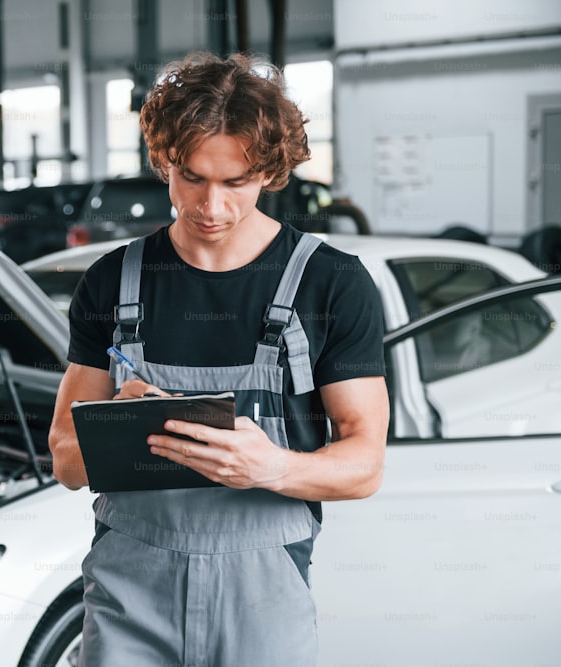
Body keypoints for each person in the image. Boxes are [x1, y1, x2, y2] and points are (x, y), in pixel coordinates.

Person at [48, 51, 389, 666]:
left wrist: (271, 468)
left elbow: (364, 465)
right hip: (130, 592)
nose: (211, 206)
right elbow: (67, 464)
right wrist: (116, 429)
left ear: (271, 171)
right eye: (191, 178)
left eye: (236, 182)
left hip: (263, 598)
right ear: (163, 162)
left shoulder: (330, 284)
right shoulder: (110, 283)